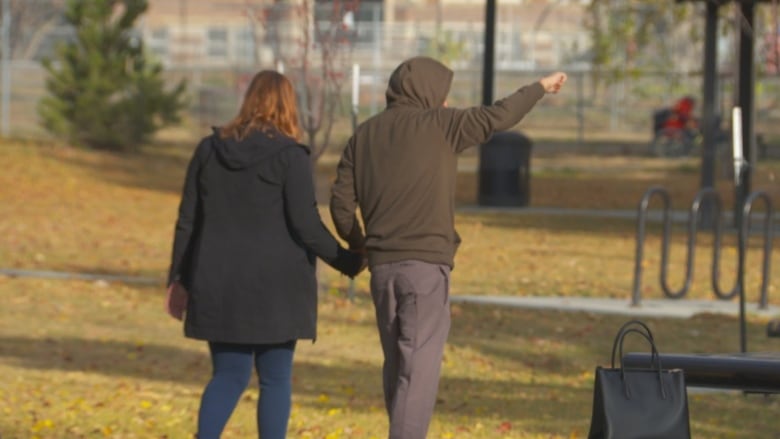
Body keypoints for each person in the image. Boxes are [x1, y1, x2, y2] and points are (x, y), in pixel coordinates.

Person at [329, 56, 566, 439]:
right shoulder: (442, 125)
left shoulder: (364, 135)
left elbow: (340, 205)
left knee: (399, 370)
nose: (444, 102)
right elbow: (499, 116)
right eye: (441, 95)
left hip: (382, 270)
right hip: (424, 269)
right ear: (426, 92)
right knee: (418, 374)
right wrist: (539, 87)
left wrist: (362, 246)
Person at [165, 70, 364, 439]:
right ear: (288, 104)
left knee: (228, 375)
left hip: (219, 284)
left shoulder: (209, 150)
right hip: (277, 289)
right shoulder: (290, 156)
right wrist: (350, 261)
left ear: (249, 100)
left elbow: (187, 220)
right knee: (275, 379)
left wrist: (178, 279)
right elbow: (306, 224)